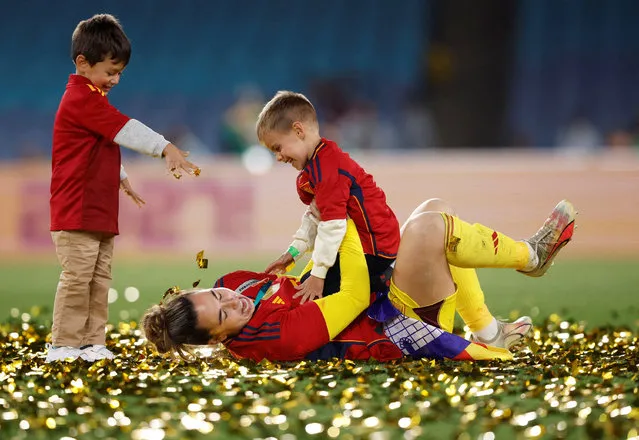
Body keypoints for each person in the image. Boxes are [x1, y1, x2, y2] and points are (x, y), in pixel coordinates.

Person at [141, 198, 576, 362]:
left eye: (219, 293)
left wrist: (309, 231)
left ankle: (488, 329)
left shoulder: (237, 283)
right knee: (430, 229)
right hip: (397, 329)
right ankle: (529, 256)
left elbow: (303, 279)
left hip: (379, 298)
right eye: (223, 313)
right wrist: (341, 221)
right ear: (219, 339)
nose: (233, 299)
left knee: (432, 208)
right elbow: (349, 295)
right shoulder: (274, 338)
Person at [46, 14, 200, 364]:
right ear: (82, 63)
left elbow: (96, 146)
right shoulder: (80, 98)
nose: (115, 80)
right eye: (110, 72)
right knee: (77, 278)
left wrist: (120, 176)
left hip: (98, 208)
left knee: (99, 279)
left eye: (119, 73)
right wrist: (165, 147)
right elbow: (123, 129)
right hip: (77, 209)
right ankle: (64, 344)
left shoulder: (92, 98)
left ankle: (91, 342)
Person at [256, 91, 401, 304]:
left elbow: (333, 225)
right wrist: (293, 253)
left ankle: (382, 290)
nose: (278, 157)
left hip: (375, 252)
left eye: (278, 147)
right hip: (364, 247)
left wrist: (319, 275)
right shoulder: (318, 164)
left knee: (307, 295)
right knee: (303, 287)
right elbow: (316, 215)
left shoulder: (327, 168)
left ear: (298, 130)